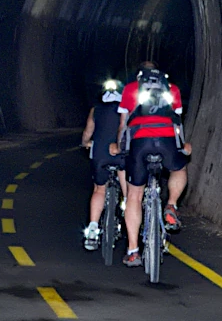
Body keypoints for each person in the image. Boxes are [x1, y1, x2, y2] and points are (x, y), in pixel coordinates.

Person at [109, 61, 191, 267]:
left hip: (139, 142)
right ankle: (171, 205)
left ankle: (133, 250)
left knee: (134, 195)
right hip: (166, 140)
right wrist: (183, 146)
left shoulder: (130, 89)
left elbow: (123, 124)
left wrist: (120, 147)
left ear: (139, 76)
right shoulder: (172, 89)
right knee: (179, 168)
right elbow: (177, 122)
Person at [80, 80, 126, 250]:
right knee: (130, 191)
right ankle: (128, 209)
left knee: (99, 189)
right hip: (120, 152)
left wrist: (85, 143)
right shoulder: (125, 109)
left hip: (100, 153)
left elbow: (87, 133)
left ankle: (93, 228)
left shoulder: (96, 110)